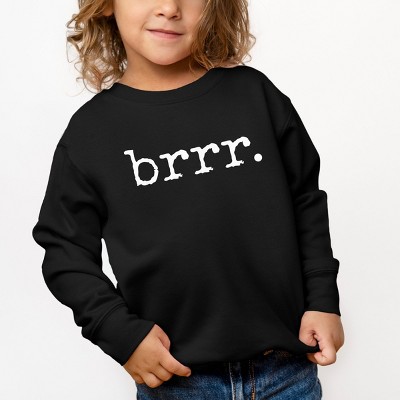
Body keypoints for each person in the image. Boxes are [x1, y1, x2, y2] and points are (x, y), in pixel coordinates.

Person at [32, 0, 345, 398]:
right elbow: (65, 250)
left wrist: (323, 299)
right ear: (108, 4)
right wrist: (119, 331)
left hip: (286, 372)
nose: (169, 7)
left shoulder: (255, 95)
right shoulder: (90, 134)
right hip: (178, 381)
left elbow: (305, 200)